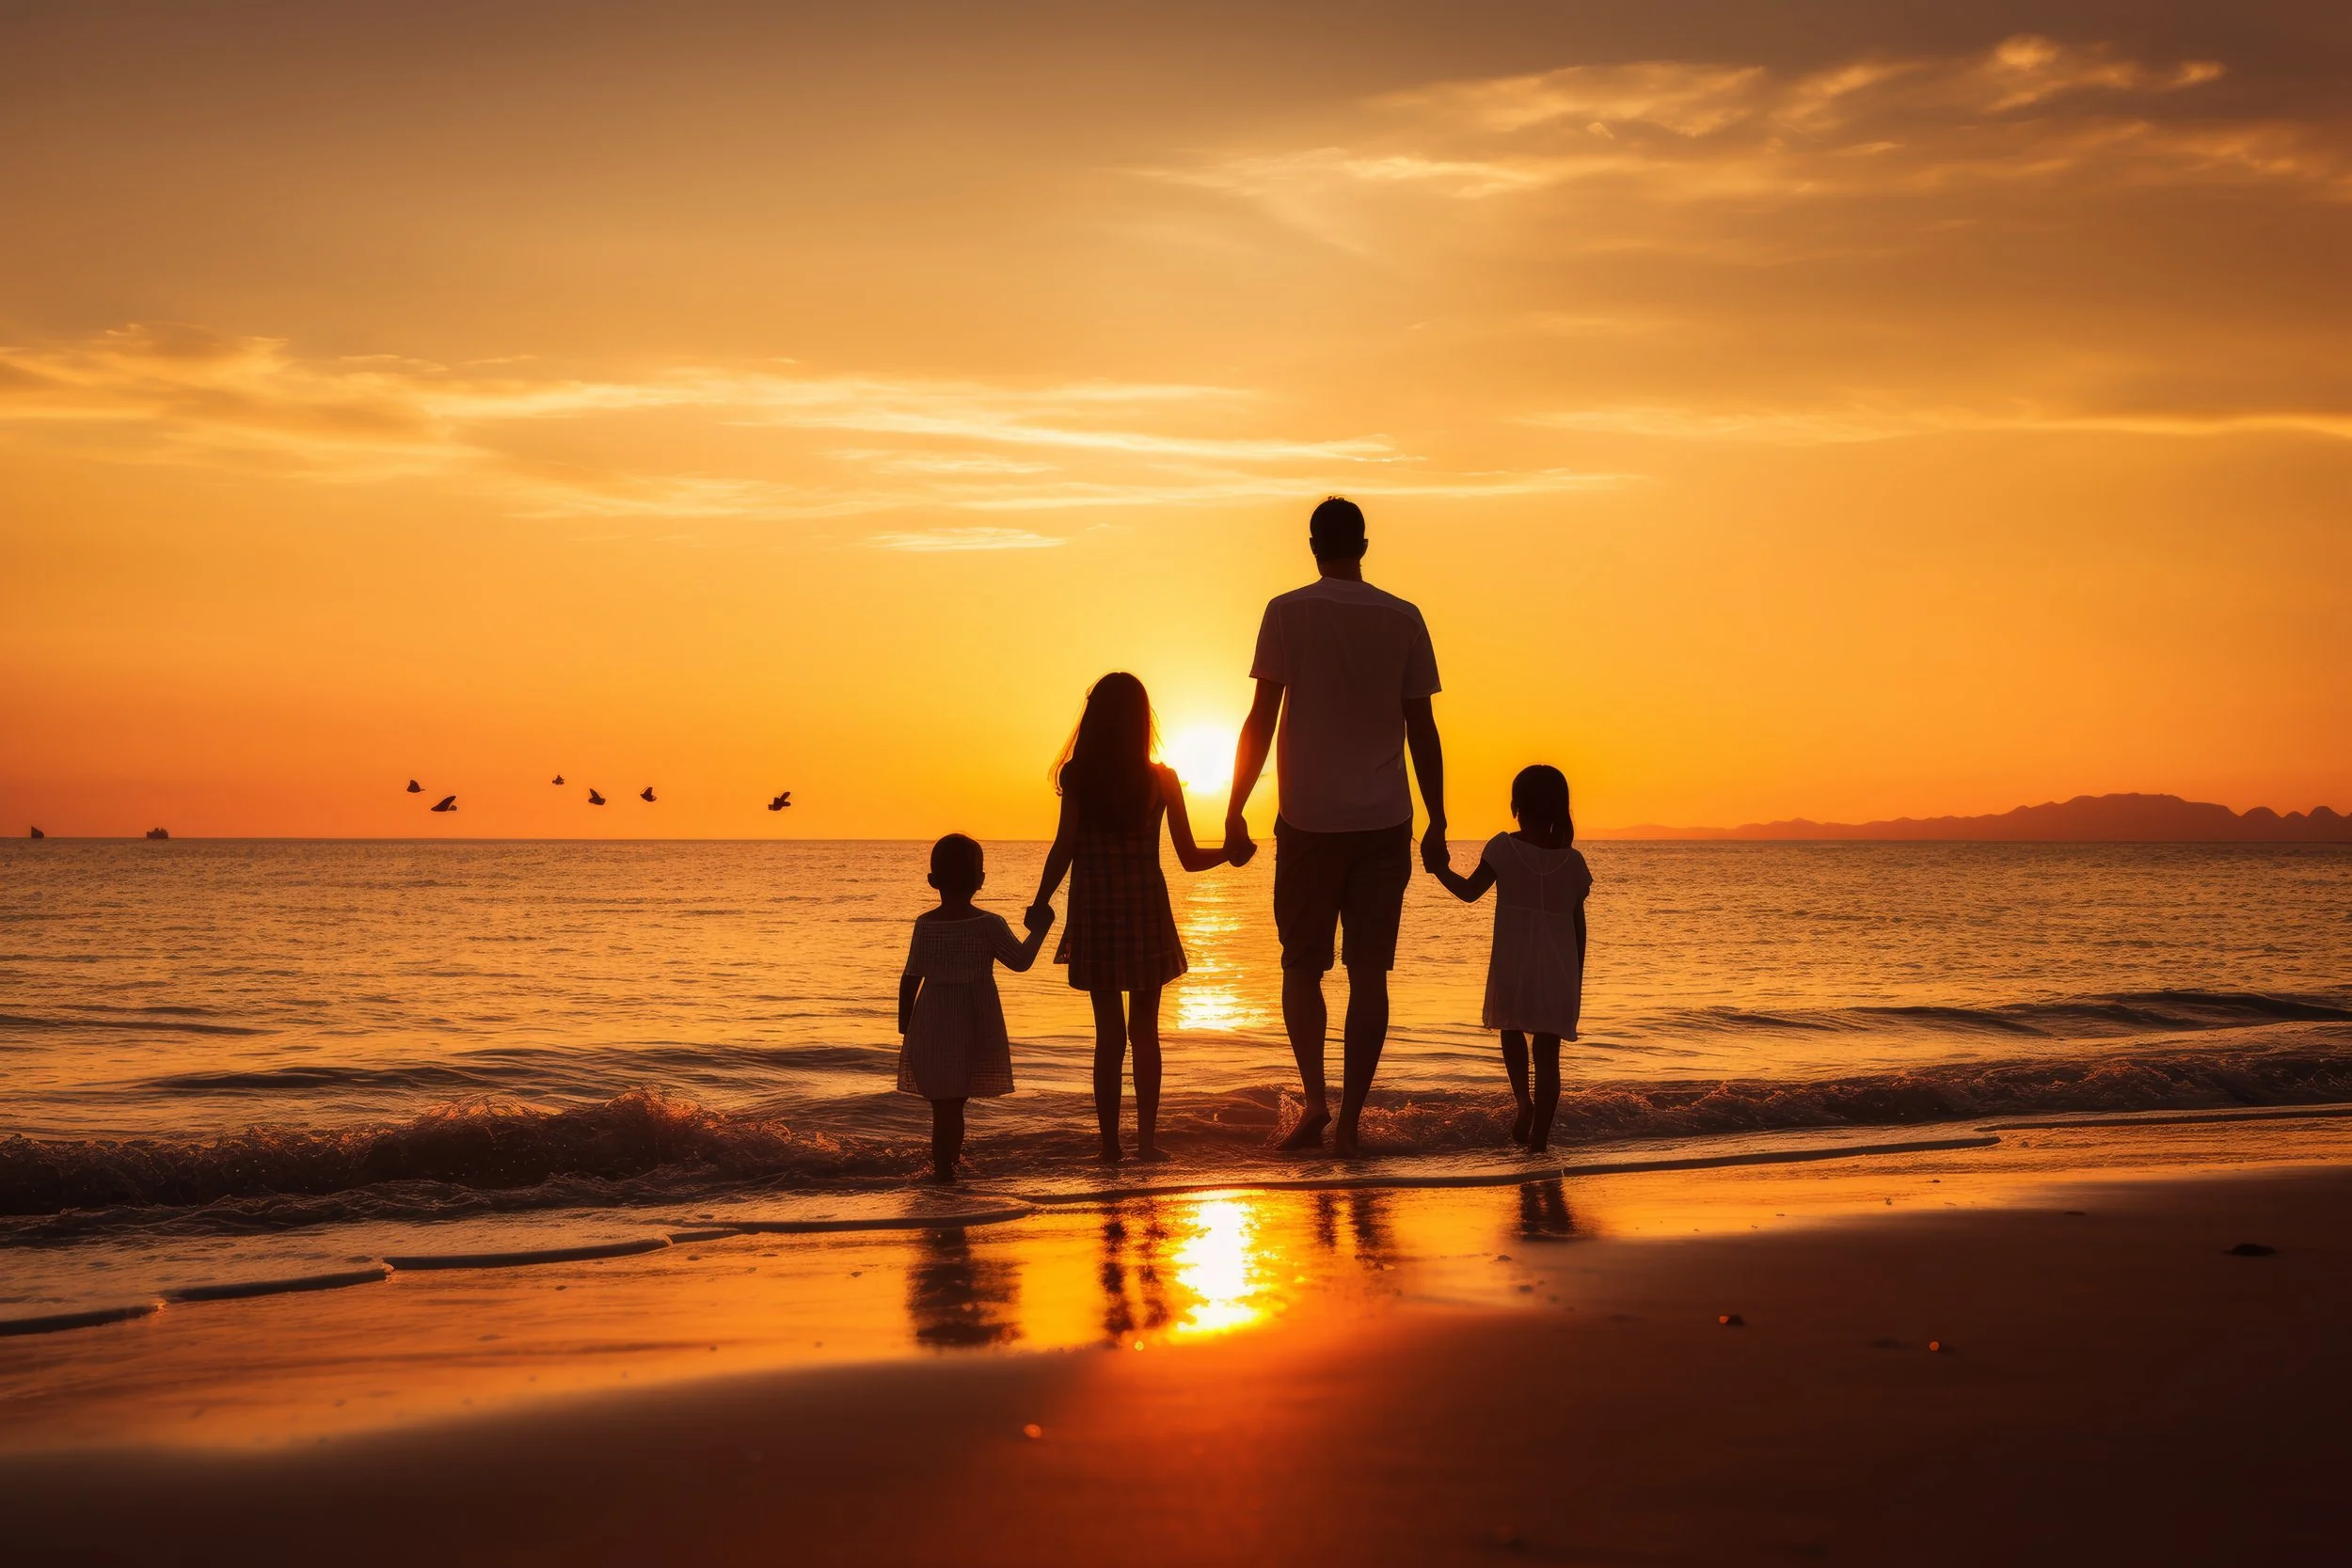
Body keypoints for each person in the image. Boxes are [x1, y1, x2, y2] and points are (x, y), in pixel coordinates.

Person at [1224, 496, 1447, 1157]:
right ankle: (1349, 1119)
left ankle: (1316, 1100)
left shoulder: (1286, 611)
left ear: (1313, 544)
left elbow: (1261, 717)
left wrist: (1234, 807)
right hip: (1385, 817)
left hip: (1308, 818)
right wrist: (1438, 819)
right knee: (1369, 973)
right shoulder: (1403, 616)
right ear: (1365, 544)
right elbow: (1422, 729)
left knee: (1302, 965)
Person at [1027, 673, 1230, 1164]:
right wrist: (1232, 852)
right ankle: (1145, 1144)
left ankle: (1109, 1147)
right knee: (1145, 1033)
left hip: (1095, 911)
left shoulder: (1079, 777)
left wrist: (1041, 900)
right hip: (1144, 910)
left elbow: (1066, 847)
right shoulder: (1160, 778)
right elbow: (1189, 857)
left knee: (1108, 1037)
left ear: (1095, 718)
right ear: (1143, 720)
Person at [1428, 765, 1592, 1153]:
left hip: (1513, 961)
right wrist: (1577, 976)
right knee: (1548, 1055)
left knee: (1511, 1030)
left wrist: (1439, 870)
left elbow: (1469, 893)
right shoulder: (1574, 862)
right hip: (1559, 969)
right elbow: (1578, 927)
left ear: (1516, 805)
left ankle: (1523, 1102)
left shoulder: (1504, 847)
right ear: (1560, 808)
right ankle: (1539, 1140)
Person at [897, 833, 1052, 1182]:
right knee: (956, 1103)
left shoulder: (925, 924)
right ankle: (947, 1171)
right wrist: (1040, 931)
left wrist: (907, 1028)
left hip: (931, 1021)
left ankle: (944, 1171)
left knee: (942, 1106)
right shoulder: (989, 924)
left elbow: (910, 978)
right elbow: (1021, 961)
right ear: (981, 881)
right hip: (971, 1022)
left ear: (932, 881)